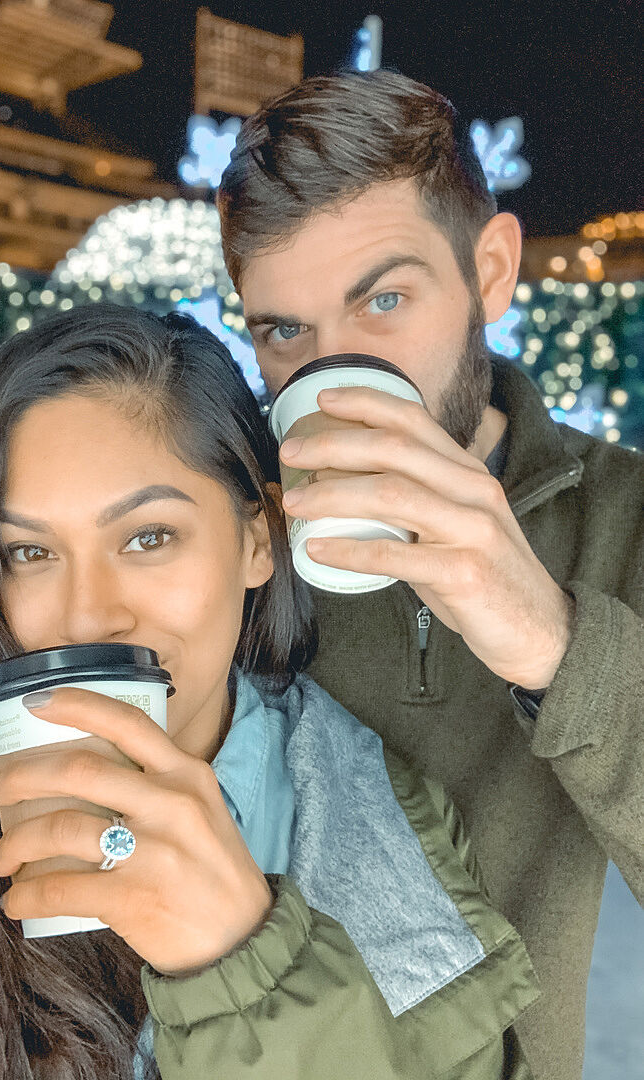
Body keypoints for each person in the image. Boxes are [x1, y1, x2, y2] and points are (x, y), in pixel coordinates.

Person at [0, 304, 538, 1080]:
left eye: (147, 537)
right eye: (30, 551)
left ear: (258, 540)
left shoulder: (390, 817)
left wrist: (243, 972)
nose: (86, 615)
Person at [217, 69, 644, 1080]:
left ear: (492, 272)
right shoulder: (222, 520)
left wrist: (554, 641)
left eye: (385, 298)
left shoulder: (622, 514)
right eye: (285, 331)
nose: (334, 369)